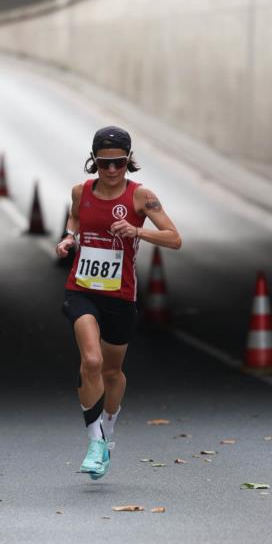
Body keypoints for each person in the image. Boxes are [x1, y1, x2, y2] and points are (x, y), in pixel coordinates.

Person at [56, 126, 182, 481]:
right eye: (104, 164)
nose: (111, 171)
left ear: (129, 161)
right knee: (91, 360)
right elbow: (77, 217)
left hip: (121, 295)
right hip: (81, 288)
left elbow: (175, 239)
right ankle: (95, 443)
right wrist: (69, 238)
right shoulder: (80, 191)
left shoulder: (142, 198)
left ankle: (108, 431)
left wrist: (138, 230)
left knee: (112, 371)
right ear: (93, 161)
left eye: (119, 164)